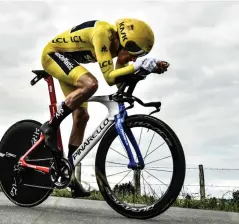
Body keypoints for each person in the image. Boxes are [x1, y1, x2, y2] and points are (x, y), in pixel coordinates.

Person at [39, 18, 169, 198]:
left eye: (139, 55)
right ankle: (50, 127)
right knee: (91, 84)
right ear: (125, 41)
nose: (134, 58)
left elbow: (119, 81)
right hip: (53, 55)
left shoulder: (116, 47)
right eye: (135, 52)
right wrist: (138, 66)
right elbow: (109, 77)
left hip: (68, 62)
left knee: (81, 116)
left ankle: (68, 174)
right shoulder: (103, 33)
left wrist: (148, 69)